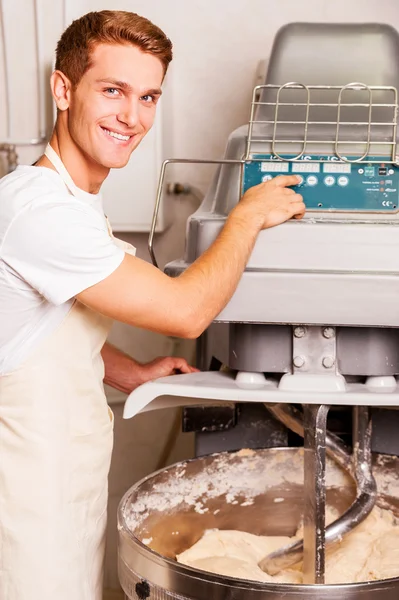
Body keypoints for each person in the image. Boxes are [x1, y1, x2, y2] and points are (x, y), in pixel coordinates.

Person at [0, 9, 305, 600]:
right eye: (112, 91)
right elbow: (188, 312)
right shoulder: (40, 213)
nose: (131, 117)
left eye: (148, 96)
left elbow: (35, 326)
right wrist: (246, 217)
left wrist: (130, 371)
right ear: (63, 89)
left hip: (61, 486)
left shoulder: (70, 200)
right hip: (24, 498)